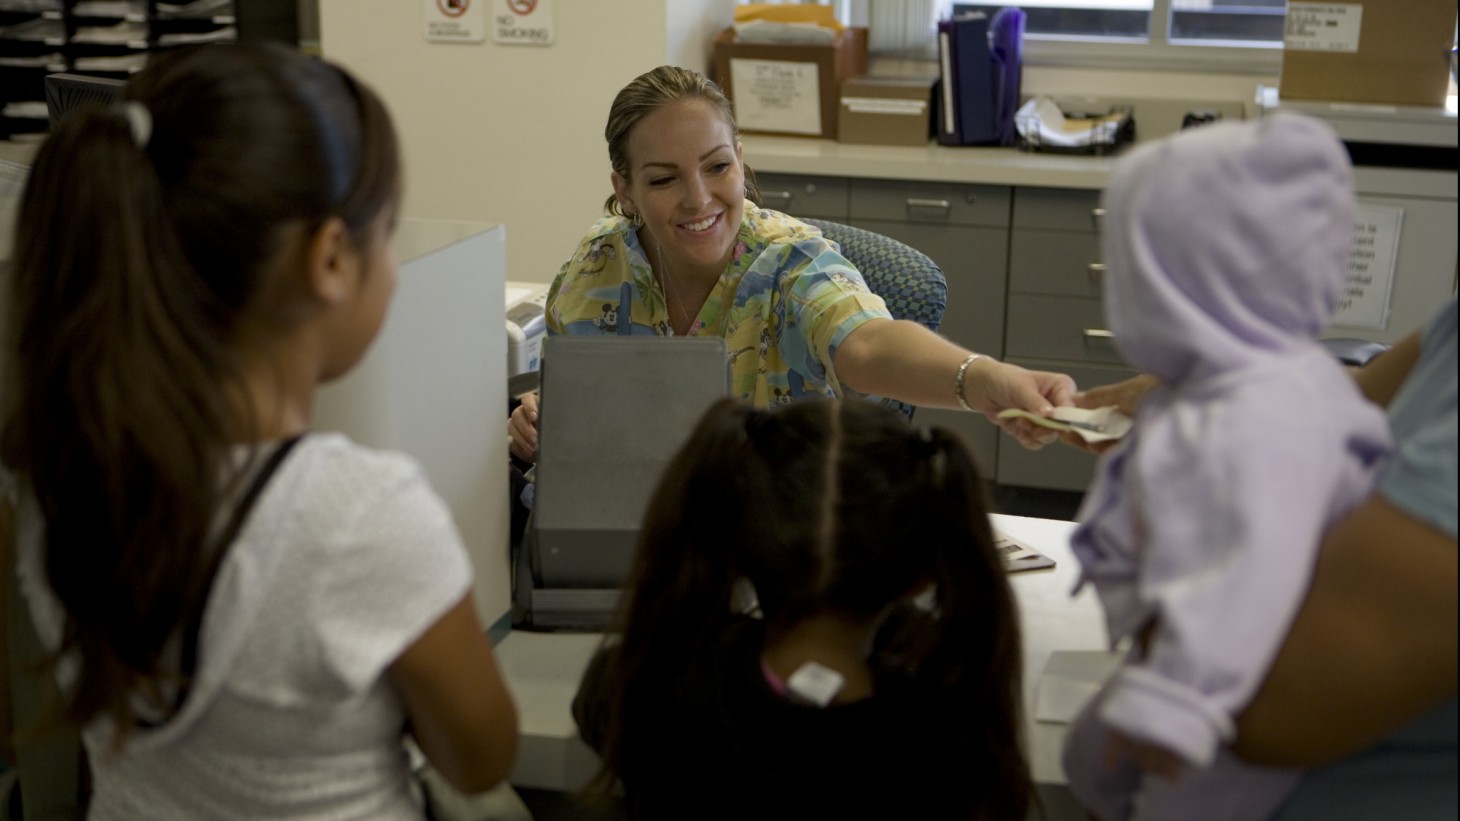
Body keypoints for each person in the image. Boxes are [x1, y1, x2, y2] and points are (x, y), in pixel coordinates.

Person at [0, 42, 517, 818]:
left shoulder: (58, 471)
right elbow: (482, 756)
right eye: (384, 229)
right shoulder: (358, 512)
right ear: (331, 259)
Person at [1056, 113, 1394, 820]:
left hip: (1235, 687)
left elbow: (1249, 566)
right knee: (1085, 759)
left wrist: (1177, 699)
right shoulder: (1266, 382)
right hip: (1209, 656)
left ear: (1179, 284)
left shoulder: (1253, 419)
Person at [507, 65, 1075, 463]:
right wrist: (539, 417)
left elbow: (869, 344)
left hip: (775, 542)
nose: (699, 199)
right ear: (625, 190)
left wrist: (981, 379)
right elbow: (575, 399)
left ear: (740, 160)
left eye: (716, 167)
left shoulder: (789, 261)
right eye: (663, 179)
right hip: (629, 540)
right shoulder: (600, 264)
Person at [571, 397, 1033, 819]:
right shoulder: (947, 723)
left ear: (737, 543)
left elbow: (607, 696)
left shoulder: (655, 689)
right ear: (920, 575)